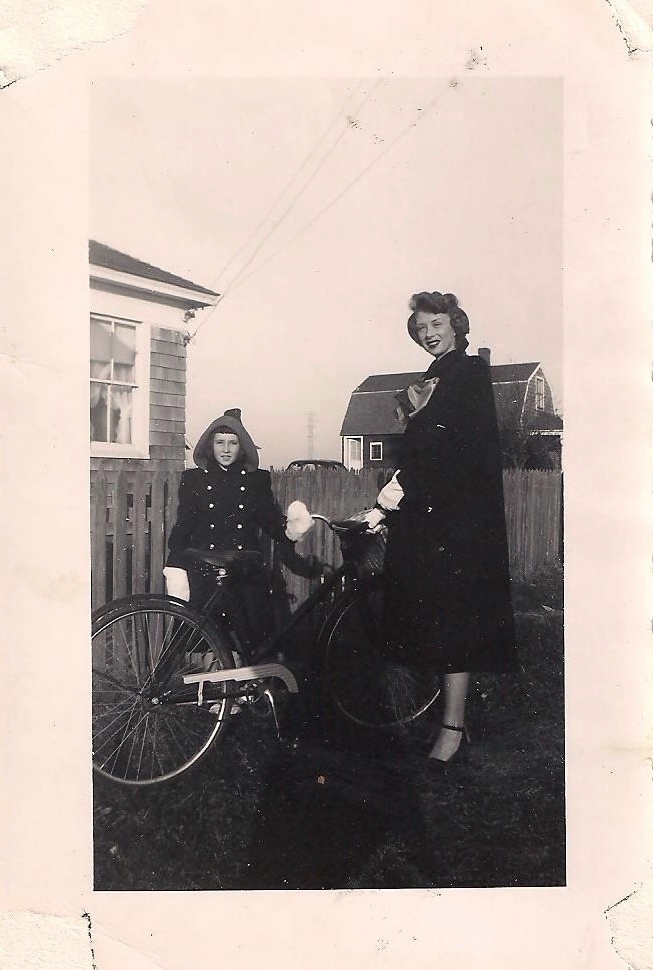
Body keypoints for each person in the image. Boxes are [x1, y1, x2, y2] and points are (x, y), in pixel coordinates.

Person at [359, 291, 517, 768]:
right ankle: (449, 717)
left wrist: (405, 486)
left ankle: (453, 727)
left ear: (456, 325)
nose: (428, 334)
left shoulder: (469, 372)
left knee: (456, 622)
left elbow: (458, 449)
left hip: (458, 519)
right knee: (434, 618)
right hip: (431, 513)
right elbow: (423, 446)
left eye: (437, 324)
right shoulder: (431, 378)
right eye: (421, 328)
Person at [163, 408, 314, 655]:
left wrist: (289, 529)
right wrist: (176, 565)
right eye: (219, 442)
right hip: (205, 568)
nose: (225, 449)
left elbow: (268, 519)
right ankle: (206, 689)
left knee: (253, 639)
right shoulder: (194, 480)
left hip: (245, 571)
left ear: (242, 447)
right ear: (209, 446)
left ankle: (246, 689)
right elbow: (184, 525)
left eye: (233, 443)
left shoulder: (256, 480)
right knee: (204, 640)